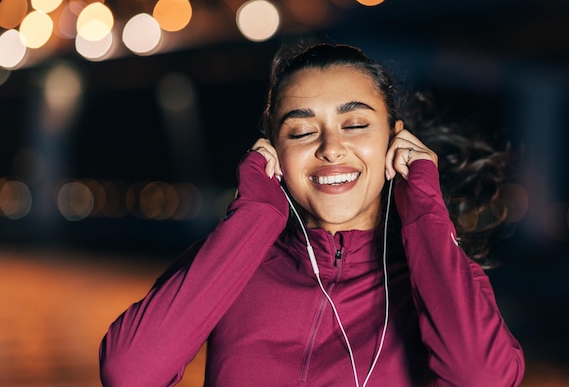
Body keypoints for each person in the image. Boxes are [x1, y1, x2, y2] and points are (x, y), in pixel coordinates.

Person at [99, 42, 525, 387]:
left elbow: (482, 377)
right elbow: (130, 372)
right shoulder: (232, 261)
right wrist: (255, 214)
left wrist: (423, 206)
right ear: (274, 153)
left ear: (396, 144)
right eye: (301, 131)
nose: (330, 147)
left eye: (355, 124)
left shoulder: (441, 276)